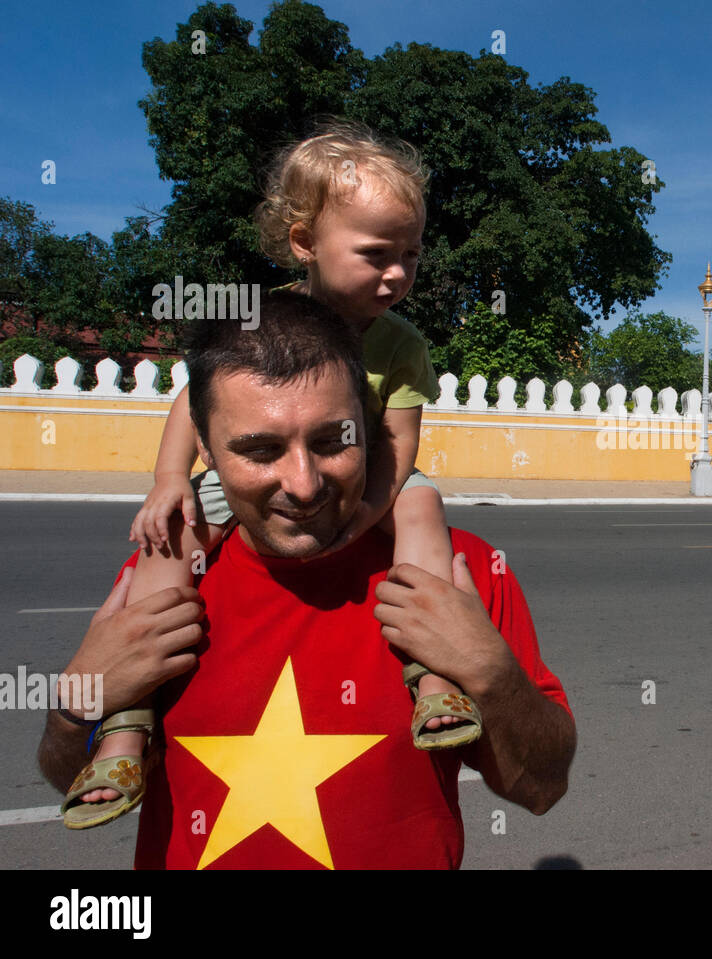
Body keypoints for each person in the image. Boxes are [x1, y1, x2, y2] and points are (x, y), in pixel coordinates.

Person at [38, 293, 576, 867]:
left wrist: (489, 671)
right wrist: (79, 700)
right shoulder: (170, 574)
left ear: (368, 428)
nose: (303, 484)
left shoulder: (453, 573)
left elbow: (540, 789)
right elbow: (68, 775)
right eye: (261, 450)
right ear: (203, 446)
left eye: (331, 441)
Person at [73, 123, 473, 829]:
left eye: (410, 255)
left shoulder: (402, 344)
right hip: (255, 478)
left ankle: (435, 675)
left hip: (363, 476)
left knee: (424, 501)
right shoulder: (255, 317)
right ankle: (124, 725)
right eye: (377, 254)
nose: (397, 274)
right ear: (302, 243)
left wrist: (359, 518)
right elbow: (193, 406)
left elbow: (398, 447)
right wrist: (170, 480)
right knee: (170, 541)